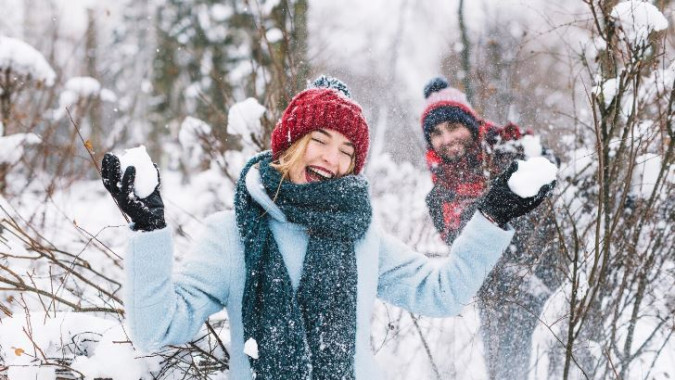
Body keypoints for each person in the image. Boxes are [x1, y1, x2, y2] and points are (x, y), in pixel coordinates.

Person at [101, 76, 553, 380]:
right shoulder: (232, 234)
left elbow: (441, 292)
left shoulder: (360, 235)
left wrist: (493, 215)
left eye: (346, 151)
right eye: (318, 140)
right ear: (289, 145)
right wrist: (148, 229)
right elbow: (156, 329)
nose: (330, 160)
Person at [420, 76, 561, 379]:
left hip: (544, 284)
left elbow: (550, 177)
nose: (447, 139)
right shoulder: (439, 195)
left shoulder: (510, 152)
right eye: (437, 133)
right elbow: (461, 248)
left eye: (454, 127)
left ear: (471, 125)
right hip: (494, 297)